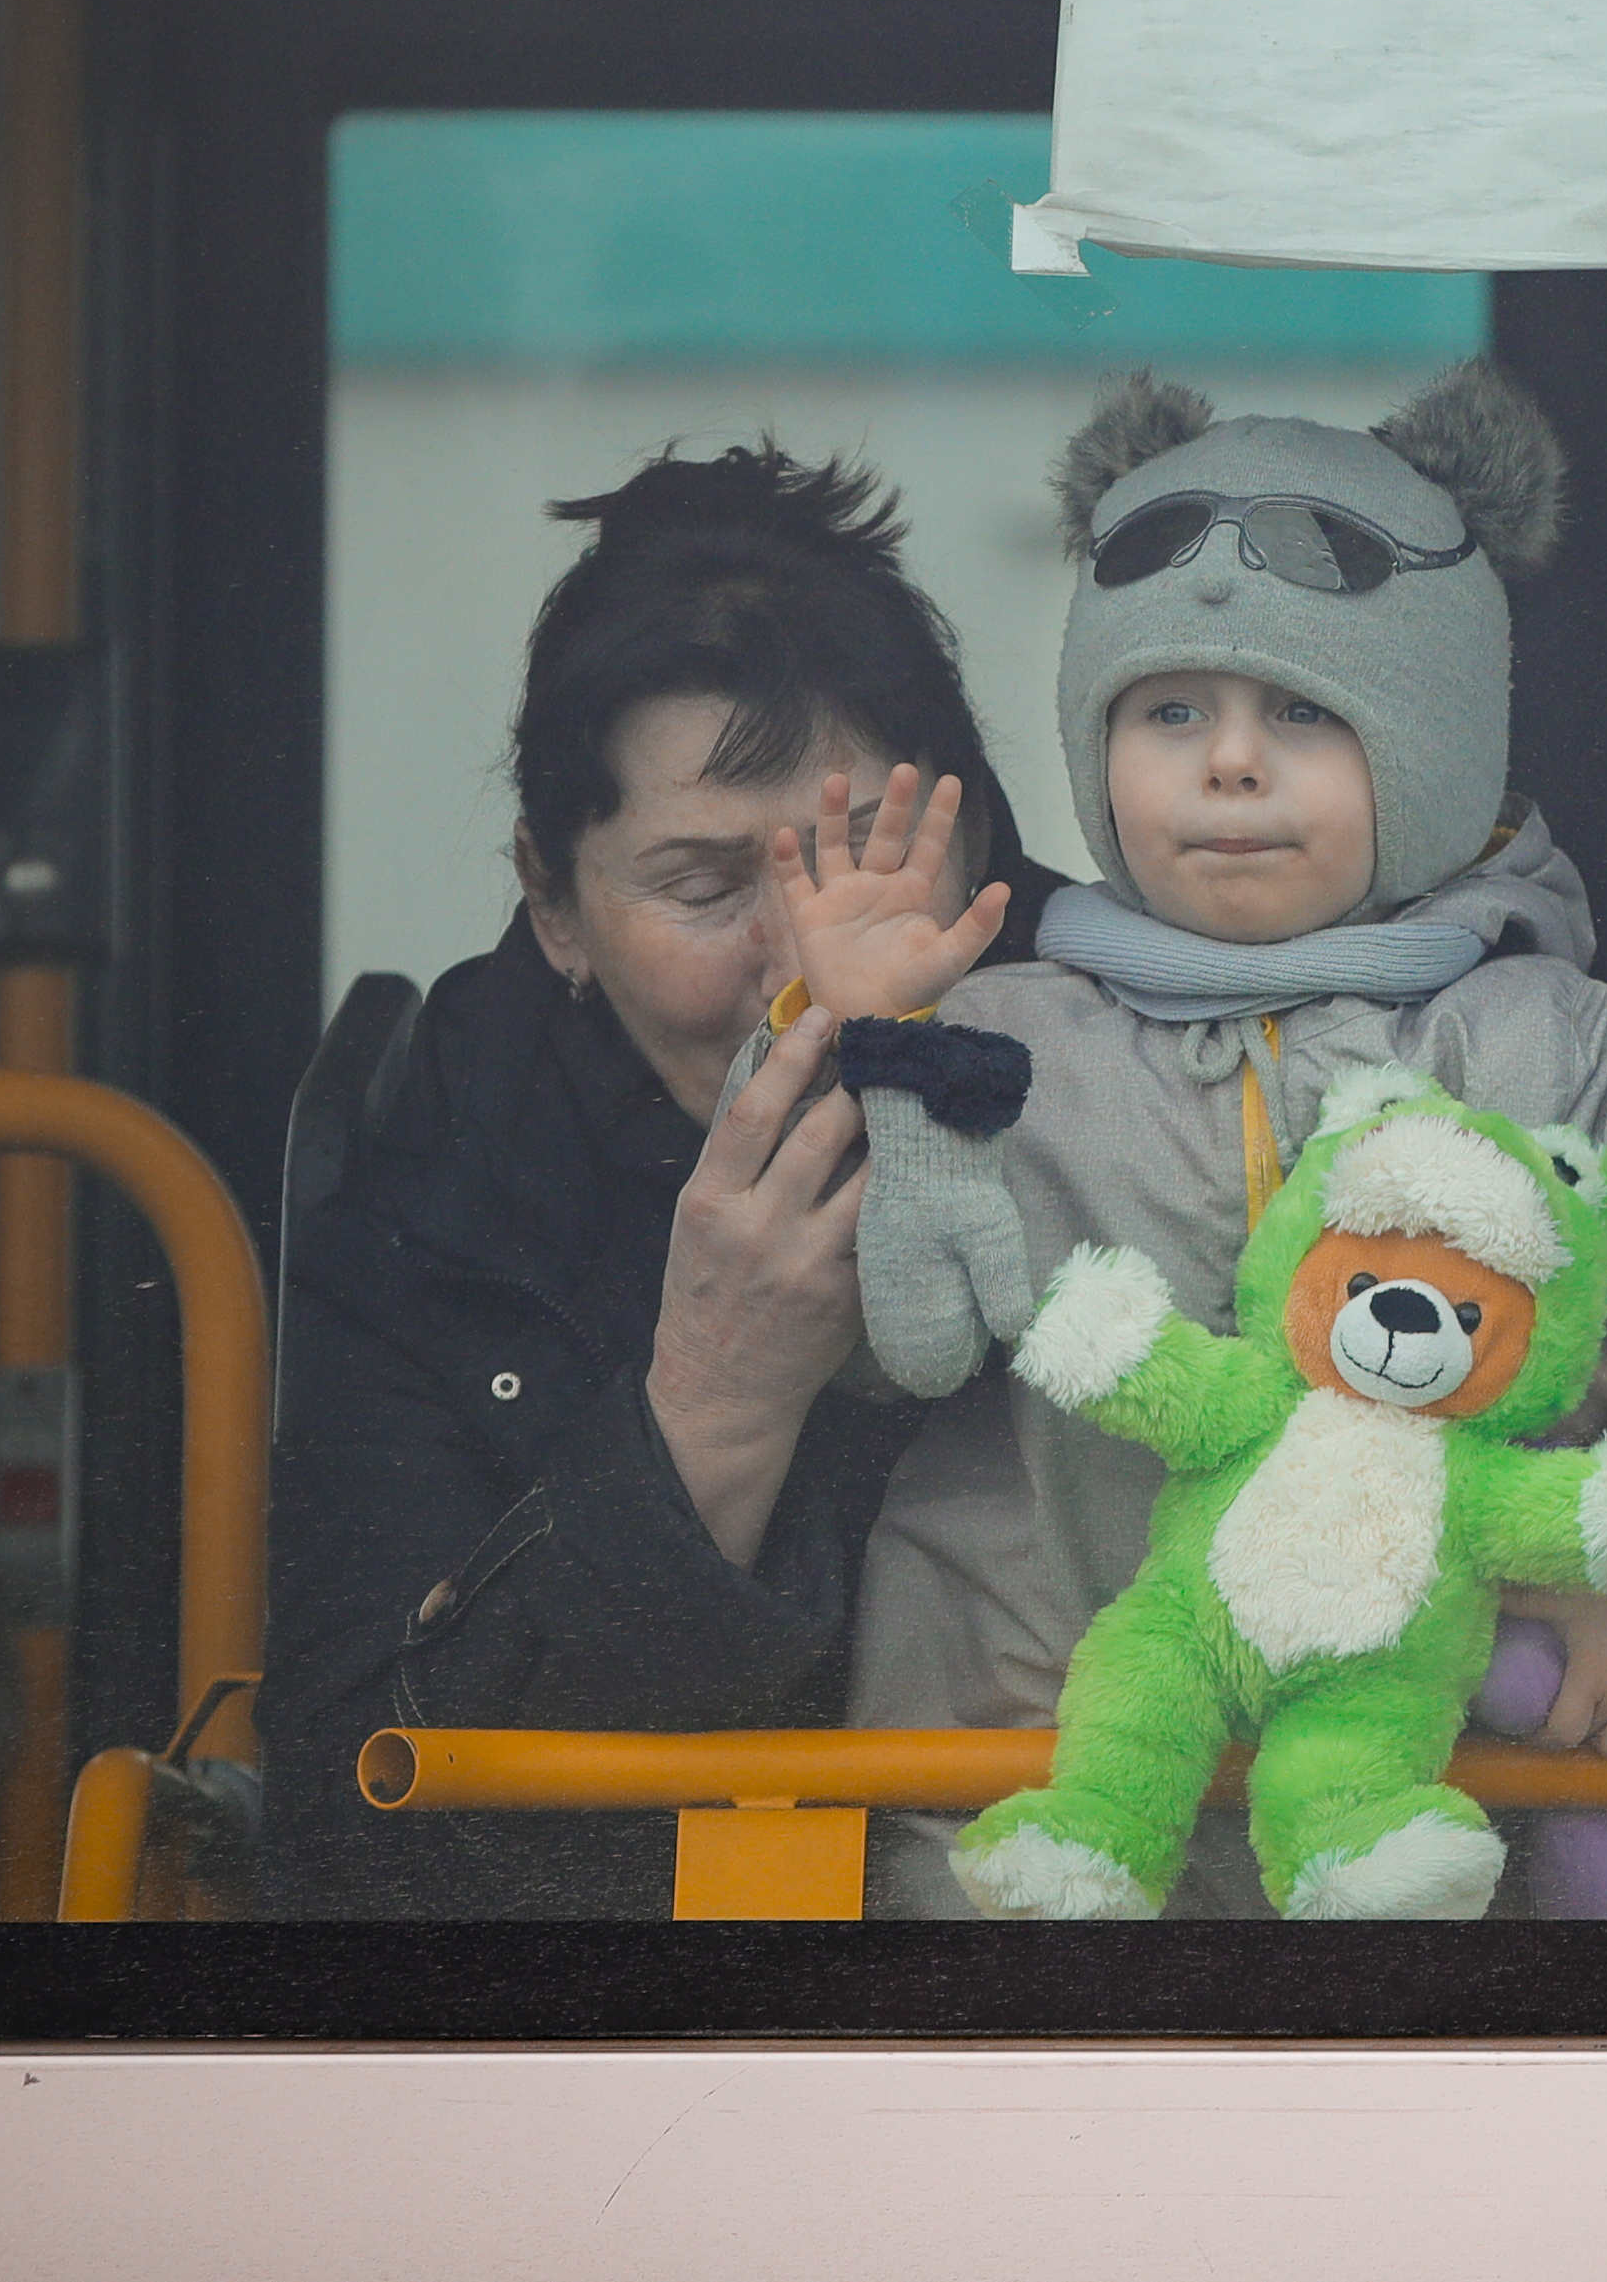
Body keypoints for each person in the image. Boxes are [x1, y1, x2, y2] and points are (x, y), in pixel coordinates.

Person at [775, 364, 1607, 1916]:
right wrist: (854, 1047)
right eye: (1167, 710)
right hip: (1026, 1810)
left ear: (1433, 745)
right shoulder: (994, 1028)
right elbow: (879, 1347)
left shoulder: (1540, 1038)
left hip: (1426, 1832)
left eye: (1303, 711)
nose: (1228, 762)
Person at [261, 444, 1060, 1917]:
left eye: (861, 861)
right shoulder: (441, 1171)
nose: (805, 962)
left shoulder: (1162, 1053)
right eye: (703, 889)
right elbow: (359, 1838)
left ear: (983, 843)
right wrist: (710, 1405)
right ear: (552, 905)